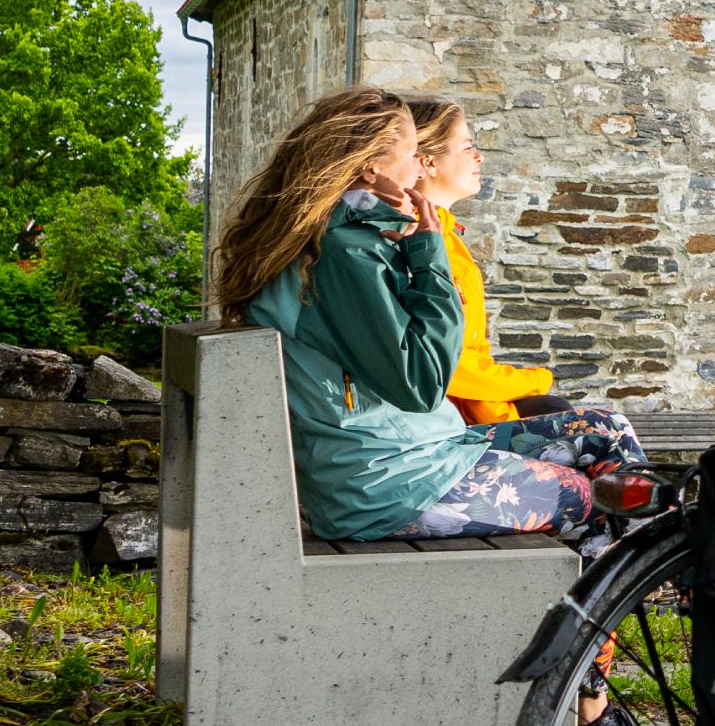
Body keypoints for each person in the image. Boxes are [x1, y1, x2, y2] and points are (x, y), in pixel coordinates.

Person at [212, 88, 640, 541]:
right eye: (414, 153)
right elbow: (422, 382)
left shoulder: (347, 240)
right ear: (370, 167)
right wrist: (429, 253)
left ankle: (679, 586)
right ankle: (604, 607)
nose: (421, 167)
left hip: (421, 453)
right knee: (598, 498)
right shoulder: (342, 256)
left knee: (605, 428)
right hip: (391, 486)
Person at [408, 96, 562, 423]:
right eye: (466, 147)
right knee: (594, 428)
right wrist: (535, 380)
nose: (479, 156)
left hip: (476, 413)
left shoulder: (447, 239)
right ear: (428, 162)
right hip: (455, 424)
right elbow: (452, 365)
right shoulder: (416, 243)